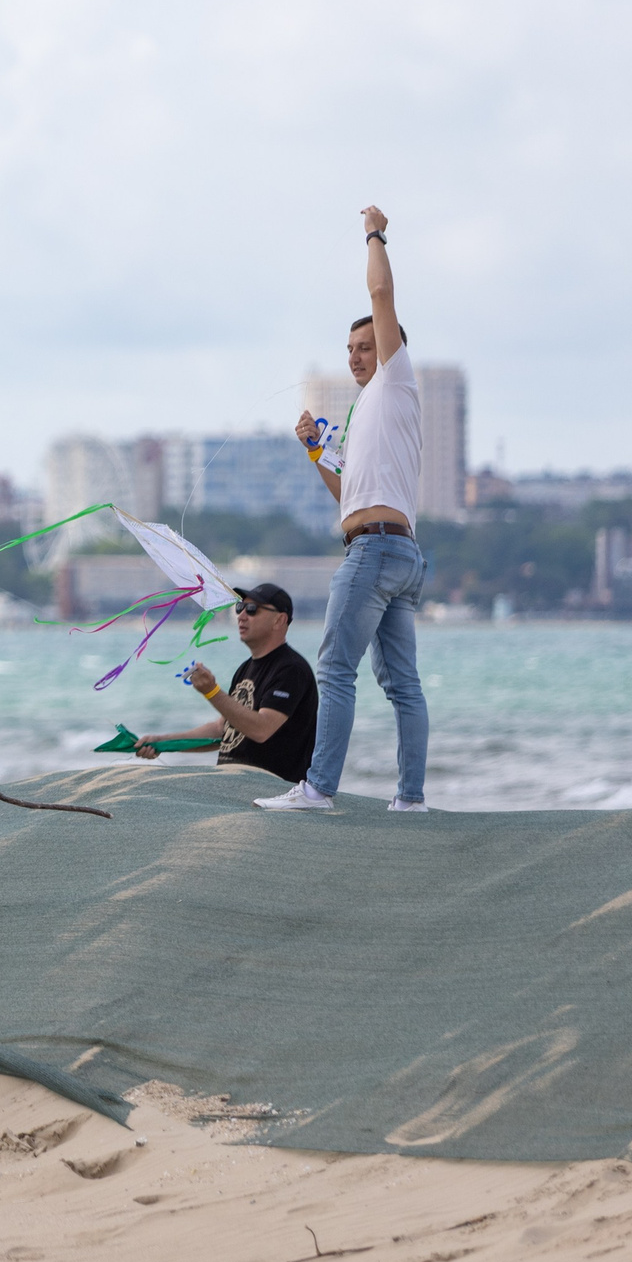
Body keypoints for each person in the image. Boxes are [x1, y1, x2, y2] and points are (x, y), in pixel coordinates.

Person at [261, 205, 431, 814]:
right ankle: (410, 800)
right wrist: (315, 450)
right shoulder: (365, 415)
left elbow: (381, 292)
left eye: (366, 345)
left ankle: (318, 789)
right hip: (397, 552)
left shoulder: (396, 379)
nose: (357, 356)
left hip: (377, 551)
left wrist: (374, 233)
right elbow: (346, 496)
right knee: (402, 684)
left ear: (389, 347)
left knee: (334, 669)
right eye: (350, 349)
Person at [131, 583, 318, 785]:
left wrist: (212, 692)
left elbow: (261, 729)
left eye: (252, 609)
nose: (241, 616)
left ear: (279, 620)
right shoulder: (245, 668)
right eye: (240, 607)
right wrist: (163, 742)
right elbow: (222, 729)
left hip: (269, 789)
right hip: (231, 784)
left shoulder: (291, 669)